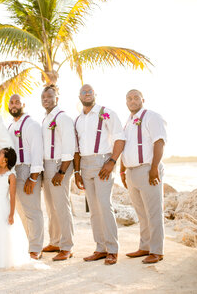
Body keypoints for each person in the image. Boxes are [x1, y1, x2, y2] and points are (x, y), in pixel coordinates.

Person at [73, 84, 125, 265]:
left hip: (103, 162)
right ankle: (100, 248)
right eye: (83, 92)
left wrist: (112, 161)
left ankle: (112, 249)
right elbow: (77, 148)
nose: (87, 94)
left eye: (90, 92)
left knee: (104, 206)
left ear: (95, 94)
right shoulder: (78, 119)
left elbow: (120, 137)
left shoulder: (106, 113)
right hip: (85, 165)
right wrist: (77, 172)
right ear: (79, 96)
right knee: (94, 210)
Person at [120, 89, 167, 264]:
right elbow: (125, 147)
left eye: (135, 97)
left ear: (142, 100)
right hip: (131, 172)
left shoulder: (151, 116)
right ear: (126, 102)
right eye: (129, 98)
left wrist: (154, 167)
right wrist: (123, 171)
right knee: (141, 213)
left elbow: (159, 141)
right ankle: (145, 246)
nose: (132, 101)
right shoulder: (128, 122)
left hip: (148, 170)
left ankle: (157, 251)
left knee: (153, 212)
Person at [40, 85, 76, 261]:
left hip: (59, 166)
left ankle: (67, 246)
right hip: (47, 165)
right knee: (51, 207)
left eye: (49, 96)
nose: (46, 99)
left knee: (62, 206)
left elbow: (70, 147)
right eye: (43, 96)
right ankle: (55, 241)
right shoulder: (45, 119)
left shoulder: (63, 118)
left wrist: (62, 171)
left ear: (57, 98)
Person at [7, 94, 45, 260]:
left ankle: (36, 248)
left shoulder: (32, 125)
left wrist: (33, 177)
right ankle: (29, 245)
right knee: (21, 211)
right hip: (15, 171)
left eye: (17, 102)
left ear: (24, 104)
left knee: (33, 211)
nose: (14, 105)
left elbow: (37, 152)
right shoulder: (10, 126)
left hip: (28, 170)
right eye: (11, 102)